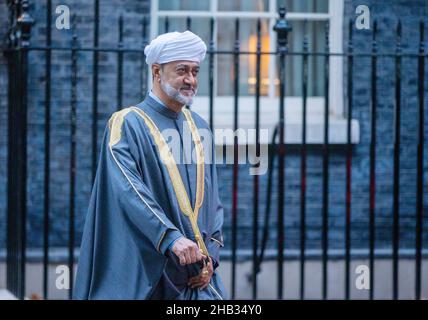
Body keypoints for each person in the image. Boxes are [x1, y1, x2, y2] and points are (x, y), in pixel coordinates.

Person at [73, 31, 227, 300]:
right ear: (157, 71)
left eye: (195, 71)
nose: (190, 79)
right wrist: (171, 238)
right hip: (149, 277)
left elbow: (213, 204)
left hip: (196, 282)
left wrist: (211, 260)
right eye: (182, 71)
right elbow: (128, 191)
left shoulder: (199, 127)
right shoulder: (126, 123)